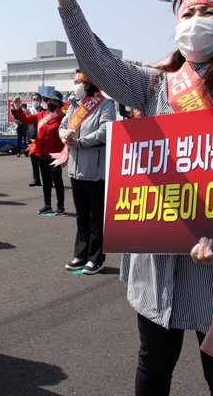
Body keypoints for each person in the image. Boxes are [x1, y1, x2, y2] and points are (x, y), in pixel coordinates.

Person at [42, 0, 213, 395]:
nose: (196, 20)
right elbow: (97, 62)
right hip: (161, 259)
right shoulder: (154, 84)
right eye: (188, 13)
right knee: (153, 367)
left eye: (208, 13)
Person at [59, 70, 116, 275]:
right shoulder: (74, 106)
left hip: (95, 170)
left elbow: (106, 131)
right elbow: (63, 126)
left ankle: (96, 257)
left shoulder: (105, 104)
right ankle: (80, 254)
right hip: (75, 170)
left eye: (78, 83)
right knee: (81, 215)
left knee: (96, 216)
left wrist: (80, 143)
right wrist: (64, 136)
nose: (75, 86)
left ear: (89, 85)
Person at [12, 90, 66, 215]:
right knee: (46, 181)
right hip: (41, 154)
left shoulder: (63, 117)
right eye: (49, 100)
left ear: (59, 103)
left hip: (56, 155)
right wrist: (17, 107)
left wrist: (65, 154)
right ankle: (47, 205)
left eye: (53, 101)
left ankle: (60, 206)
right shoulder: (42, 115)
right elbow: (25, 119)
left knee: (57, 181)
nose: (50, 103)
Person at [27, 92, 45, 186]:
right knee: (34, 161)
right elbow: (26, 126)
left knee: (44, 161)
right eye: (33, 99)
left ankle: (48, 180)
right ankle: (36, 180)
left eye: (37, 99)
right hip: (32, 140)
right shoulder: (29, 111)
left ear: (41, 100)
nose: (35, 101)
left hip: (42, 140)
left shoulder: (45, 111)